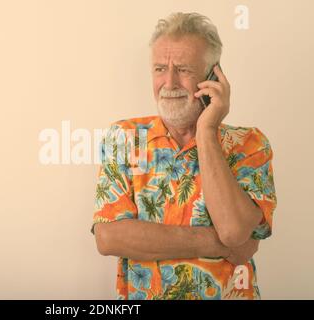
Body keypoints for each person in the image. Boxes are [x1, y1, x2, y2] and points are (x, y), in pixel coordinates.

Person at [91, 12, 276, 300]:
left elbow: (234, 232)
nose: (169, 82)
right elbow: (109, 237)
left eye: (184, 69)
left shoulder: (250, 144)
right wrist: (211, 243)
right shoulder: (124, 137)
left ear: (213, 76)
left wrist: (207, 131)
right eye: (159, 69)